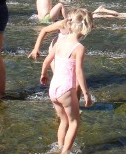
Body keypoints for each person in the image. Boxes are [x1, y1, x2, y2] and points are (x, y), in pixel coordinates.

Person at [40, 8, 93, 154]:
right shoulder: (79, 48)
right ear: (85, 27)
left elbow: (46, 61)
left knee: (63, 121)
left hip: (53, 89)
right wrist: (86, 93)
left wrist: (44, 74)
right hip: (66, 90)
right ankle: (65, 152)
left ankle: (59, 148)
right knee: (74, 122)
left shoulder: (59, 42)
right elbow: (79, 72)